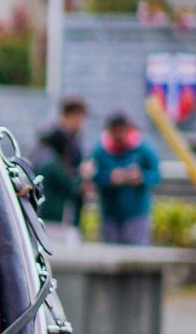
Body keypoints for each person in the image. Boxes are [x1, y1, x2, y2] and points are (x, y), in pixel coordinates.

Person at [92, 111, 161, 245]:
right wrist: (110, 178)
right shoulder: (101, 151)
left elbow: (156, 175)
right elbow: (93, 176)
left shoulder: (143, 149)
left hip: (137, 214)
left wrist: (141, 178)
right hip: (110, 214)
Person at [33, 96, 93, 233]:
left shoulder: (73, 142)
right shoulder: (56, 142)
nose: (81, 123)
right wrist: (81, 176)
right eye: (79, 118)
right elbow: (66, 179)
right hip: (53, 213)